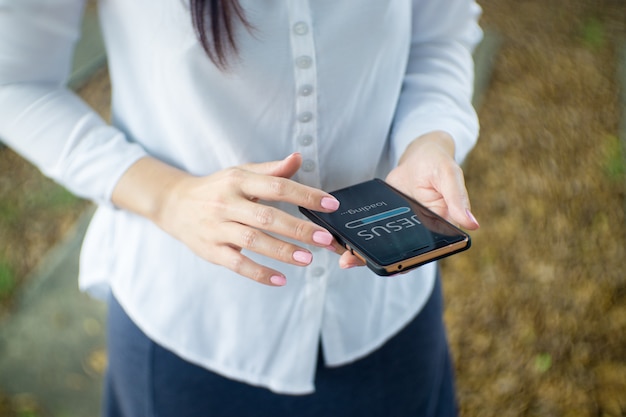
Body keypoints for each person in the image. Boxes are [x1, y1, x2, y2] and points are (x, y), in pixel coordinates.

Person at [0, 0, 482, 415]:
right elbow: (14, 82)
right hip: (192, 331)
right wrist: (167, 196)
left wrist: (430, 138)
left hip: (386, 323)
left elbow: (439, 37)